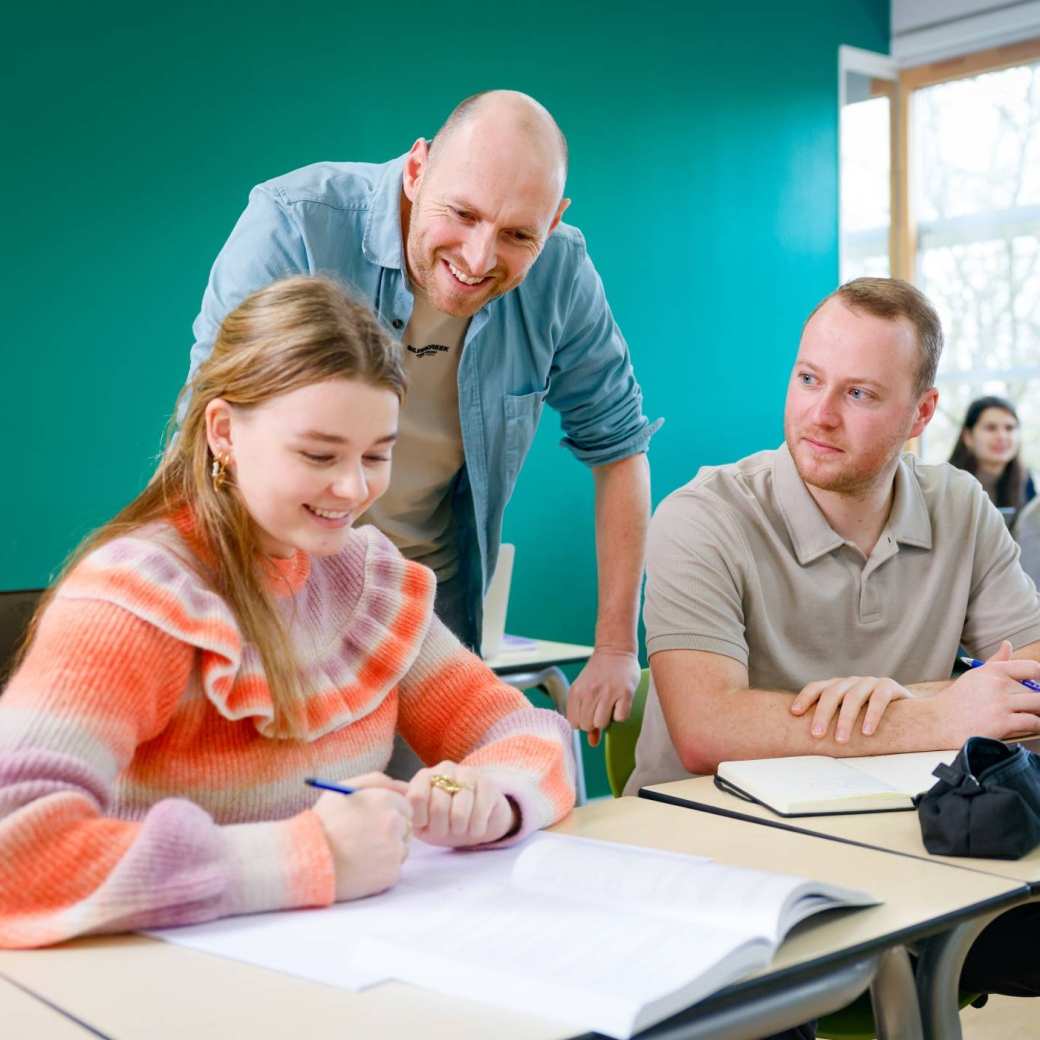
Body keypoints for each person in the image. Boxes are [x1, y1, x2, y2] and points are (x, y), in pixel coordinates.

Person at [0, 276, 575, 949]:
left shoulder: (368, 576)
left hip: (340, 968)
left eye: (377, 455)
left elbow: (532, 731)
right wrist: (307, 859)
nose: (354, 488)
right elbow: (16, 852)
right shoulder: (135, 599)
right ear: (223, 432)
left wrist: (492, 795)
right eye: (318, 454)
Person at [185, 90, 658, 744]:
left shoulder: (561, 273)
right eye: (461, 213)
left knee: (478, 805)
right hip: (272, 610)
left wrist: (614, 647)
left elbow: (621, 446)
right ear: (416, 169)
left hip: (426, 623)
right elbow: (212, 431)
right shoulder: (295, 225)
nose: (477, 257)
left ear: (553, 225)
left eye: (518, 234)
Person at [626, 276, 1040, 1008]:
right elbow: (706, 727)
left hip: (907, 855)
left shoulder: (960, 506)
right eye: (808, 378)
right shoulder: (701, 517)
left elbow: (1034, 676)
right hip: (709, 864)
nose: (818, 415)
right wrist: (937, 717)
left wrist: (908, 697)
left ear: (921, 414)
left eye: (859, 394)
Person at [948, 395, 1035, 518]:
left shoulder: (1025, 481)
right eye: (991, 428)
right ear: (968, 437)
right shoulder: (947, 483)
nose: (1002, 436)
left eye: (1009, 428)